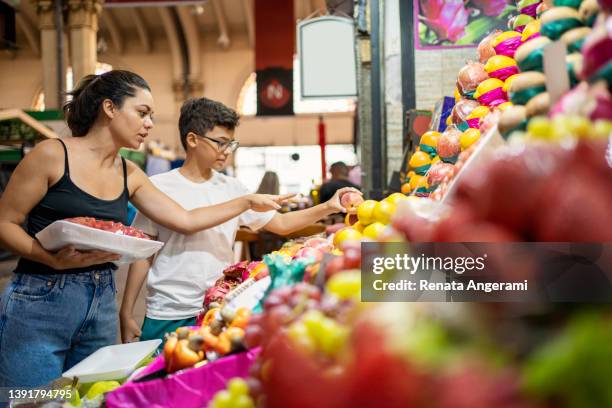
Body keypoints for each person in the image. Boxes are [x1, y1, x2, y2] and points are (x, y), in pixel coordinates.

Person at [0, 71, 290, 387]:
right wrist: (49, 258)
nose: (150, 123)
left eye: (151, 115)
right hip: (41, 296)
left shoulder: (131, 173)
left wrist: (245, 201)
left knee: (87, 397)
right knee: (30, 398)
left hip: (101, 298)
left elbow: (186, 220)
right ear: (109, 108)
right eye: (142, 113)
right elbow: (5, 223)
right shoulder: (52, 155)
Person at [119, 98, 359, 344]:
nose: (226, 151)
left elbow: (282, 225)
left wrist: (328, 206)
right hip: (167, 310)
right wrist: (126, 312)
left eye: (230, 143)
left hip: (218, 307)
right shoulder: (158, 188)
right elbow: (144, 254)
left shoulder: (233, 189)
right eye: (220, 143)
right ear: (192, 140)